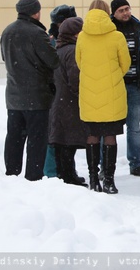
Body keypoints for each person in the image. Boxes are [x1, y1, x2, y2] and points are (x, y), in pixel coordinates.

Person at [0, 0, 60, 181]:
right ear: (36, 12)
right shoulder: (36, 33)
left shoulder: (7, 31)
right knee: (36, 140)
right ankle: (33, 178)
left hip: (14, 96)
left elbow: (5, 58)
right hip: (37, 96)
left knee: (14, 138)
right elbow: (53, 61)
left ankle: (12, 173)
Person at [76, 0, 130, 194]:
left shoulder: (82, 36)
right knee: (110, 136)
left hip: (89, 94)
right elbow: (125, 64)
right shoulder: (117, 36)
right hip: (112, 94)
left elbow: (79, 62)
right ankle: (109, 179)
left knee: (92, 135)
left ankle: (92, 178)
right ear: (108, 12)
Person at [110, 0, 140, 177]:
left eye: (127, 9)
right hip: (113, 86)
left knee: (134, 126)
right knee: (108, 126)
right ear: (114, 13)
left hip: (135, 84)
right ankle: (105, 163)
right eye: (121, 10)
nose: (126, 13)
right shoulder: (109, 30)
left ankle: (135, 163)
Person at [49, 16, 88, 187]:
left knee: (62, 141)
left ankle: (67, 173)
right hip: (69, 104)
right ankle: (68, 176)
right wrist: (82, 94)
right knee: (67, 143)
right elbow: (75, 79)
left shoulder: (59, 49)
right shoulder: (72, 51)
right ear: (74, 34)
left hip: (60, 101)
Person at [44, 4, 77, 179]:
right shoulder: (53, 42)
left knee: (62, 135)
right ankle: (53, 172)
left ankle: (64, 170)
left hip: (59, 93)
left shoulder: (57, 41)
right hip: (56, 94)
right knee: (55, 135)